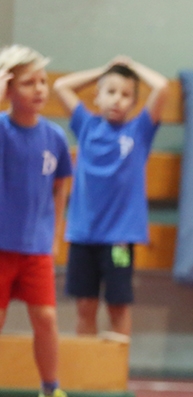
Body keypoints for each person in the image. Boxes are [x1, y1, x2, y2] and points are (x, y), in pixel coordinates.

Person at [52, 56, 169, 337]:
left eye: (126, 95)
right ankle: (86, 366)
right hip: (83, 237)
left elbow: (162, 87)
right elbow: (60, 86)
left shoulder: (139, 130)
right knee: (85, 306)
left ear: (134, 102)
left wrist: (132, 66)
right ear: (98, 95)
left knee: (117, 305)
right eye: (111, 91)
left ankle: (117, 364)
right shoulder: (86, 125)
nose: (117, 99)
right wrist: (103, 71)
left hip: (119, 241)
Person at [0, 45, 78, 397]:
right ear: (9, 89)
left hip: (35, 248)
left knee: (46, 318)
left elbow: (61, 184)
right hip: (1, 247)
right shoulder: (2, 130)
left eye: (43, 81)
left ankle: (51, 390)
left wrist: (56, 232)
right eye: (28, 83)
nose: (39, 89)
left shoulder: (54, 136)